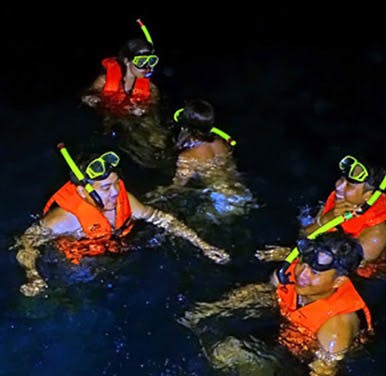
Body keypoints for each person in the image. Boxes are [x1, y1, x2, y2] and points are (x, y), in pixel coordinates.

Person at [182, 232, 371, 376]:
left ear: (338, 282)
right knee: (223, 350)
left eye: (314, 272)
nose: (303, 274)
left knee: (235, 358)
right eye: (304, 264)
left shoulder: (336, 330)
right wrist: (213, 309)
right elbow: (265, 292)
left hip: (299, 364)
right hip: (284, 333)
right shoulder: (296, 274)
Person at [14, 148, 230, 297]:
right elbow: (25, 242)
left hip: (116, 247)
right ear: (82, 191)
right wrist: (33, 276)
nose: (116, 193)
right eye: (106, 188)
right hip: (80, 260)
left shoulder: (125, 201)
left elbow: (163, 219)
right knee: (80, 277)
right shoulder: (64, 219)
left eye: (116, 184)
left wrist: (203, 245)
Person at [256, 153, 386, 278]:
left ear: (368, 195)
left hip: (364, 276)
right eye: (342, 179)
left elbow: (337, 273)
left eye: (350, 185)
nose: (338, 186)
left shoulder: (375, 235)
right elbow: (304, 234)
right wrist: (328, 217)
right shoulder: (342, 200)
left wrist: (287, 254)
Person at [146, 99, 255, 221]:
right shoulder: (221, 143)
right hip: (241, 192)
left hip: (223, 202)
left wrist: (159, 193)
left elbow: (178, 187)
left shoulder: (188, 157)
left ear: (186, 127)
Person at [81, 38, 160, 117]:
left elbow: (154, 108)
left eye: (151, 61)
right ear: (127, 61)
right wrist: (90, 99)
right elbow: (85, 96)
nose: (147, 67)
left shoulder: (151, 88)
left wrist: (144, 110)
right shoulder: (104, 81)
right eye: (141, 62)